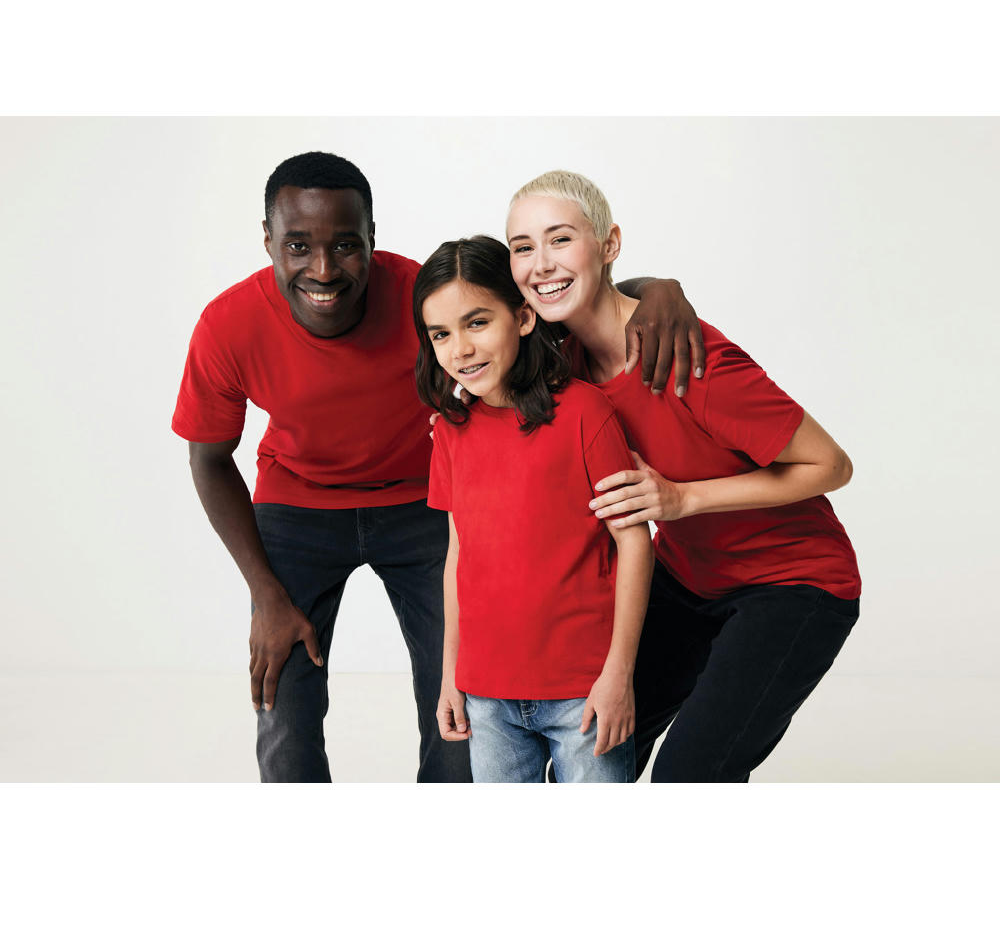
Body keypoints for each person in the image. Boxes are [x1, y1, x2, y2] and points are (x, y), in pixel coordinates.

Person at [171, 151, 699, 783]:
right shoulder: (228, 324)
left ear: (372, 238)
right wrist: (264, 593)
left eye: (345, 245)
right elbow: (209, 458)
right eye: (297, 246)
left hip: (420, 499)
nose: (323, 269)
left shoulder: (423, 298)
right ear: (268, 242)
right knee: (283, 703)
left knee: (461, 714)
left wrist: (657, 289)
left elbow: (540, 296)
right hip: (299, 505)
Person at [506, 170, 862, 782]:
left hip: (794, 582)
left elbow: (831, 465)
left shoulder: (688, 358)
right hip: (688, 578)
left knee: (690, 777)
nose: (541, 264)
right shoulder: (563, 361)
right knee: (589, 750)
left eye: (560, 239)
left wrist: (681, 499)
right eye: (522, 247)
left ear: (609, 244)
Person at [415, 236, 653, 782]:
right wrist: (451, 674)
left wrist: (619, 674)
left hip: (583, 691)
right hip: (486, 695)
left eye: (477, 323)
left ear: (524, 318)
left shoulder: (586, 412)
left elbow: (635, 543)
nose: (460, 349)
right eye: (441, 334)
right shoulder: (449, 431)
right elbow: (458, 556)